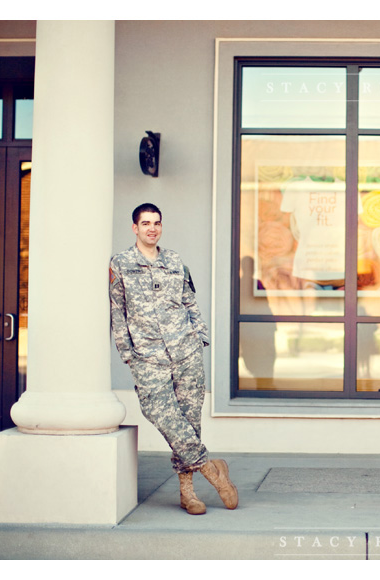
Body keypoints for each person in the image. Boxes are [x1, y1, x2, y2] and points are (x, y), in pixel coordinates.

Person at [109, 203, 238, 516]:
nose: (152, 228)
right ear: (134, 228)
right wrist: (129, 354)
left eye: (157, 223)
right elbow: (117, 312)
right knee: (162, 414)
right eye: (145, 223)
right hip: (147, 355)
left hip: (186, 351)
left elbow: (189, 302)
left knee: (189, 423)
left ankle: (188, 494)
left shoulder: (175, 261)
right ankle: (212, 470)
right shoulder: (121, 264)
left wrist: (199, 337)